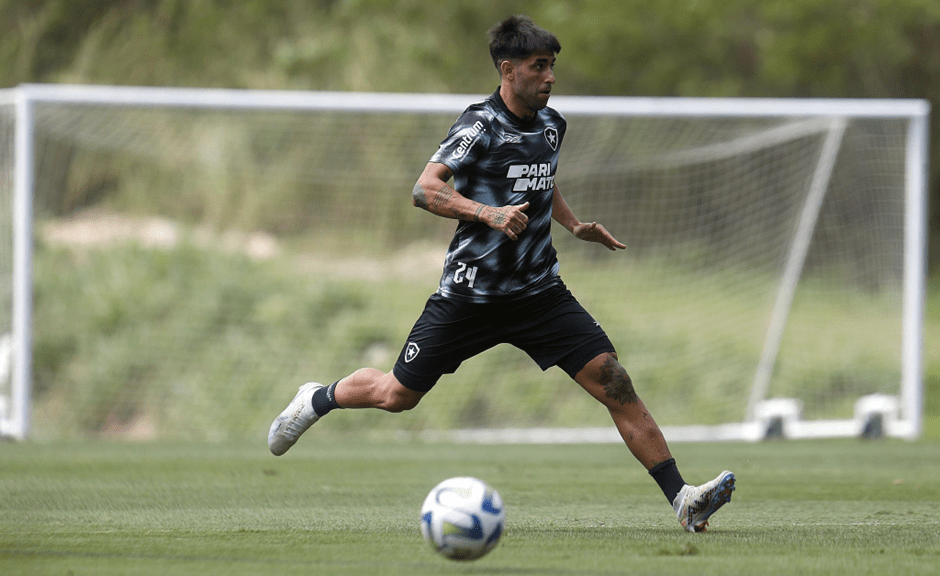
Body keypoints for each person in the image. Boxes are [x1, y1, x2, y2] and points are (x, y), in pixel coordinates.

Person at [268, 14, 734, 532]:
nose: (550, 76)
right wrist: (487, 213)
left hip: (540, 293)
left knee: (615, 382)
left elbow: (541, 180)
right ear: (508, 70)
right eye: (539, 67)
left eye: (552, 66)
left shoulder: (552, 125)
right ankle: (316, 398)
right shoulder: (479, 125)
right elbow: (425, 189)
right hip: (470, 297)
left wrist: (574, 225)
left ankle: (683, 500)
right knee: (396, 396)